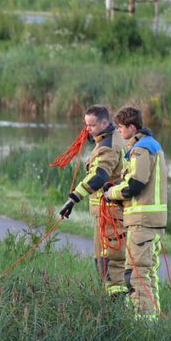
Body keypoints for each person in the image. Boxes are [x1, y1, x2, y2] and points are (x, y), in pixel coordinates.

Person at [103, 106, 168, 320]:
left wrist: (111, 193)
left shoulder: (141, 149)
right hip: (149, 221)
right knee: (147, 273)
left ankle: (144, 323)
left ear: (132, 127)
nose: (118, 132)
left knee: (136, 275)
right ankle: (153, 320)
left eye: (121, 128)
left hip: (143, 222)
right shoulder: (151, 146)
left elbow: (135, 186)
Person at [57, 104, 127, 296]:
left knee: (110, 261)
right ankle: (111, 300)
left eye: (92, 126)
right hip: (107, 213)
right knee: (104, 260)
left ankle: (116, 309)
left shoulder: (108, 148)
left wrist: (73, 198)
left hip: (111, 213)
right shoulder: (111, 139)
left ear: (105, 122)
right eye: (86, 125)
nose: (88, 130)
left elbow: (99, 177)